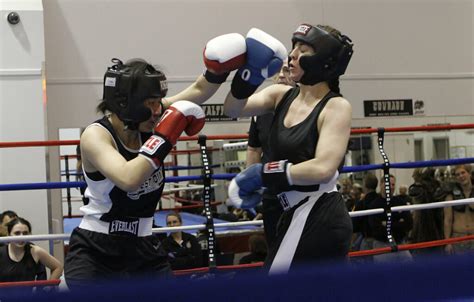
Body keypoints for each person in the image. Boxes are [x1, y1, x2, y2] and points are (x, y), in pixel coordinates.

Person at [64, 45, 244, 287]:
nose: (158, 111)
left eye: (159, 102)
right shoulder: (96, 136)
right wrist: (165, 135)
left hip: (143, 245)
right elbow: (128, 178)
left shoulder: (149, 117)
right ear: (126, 104)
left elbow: (199, 90)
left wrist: (221, 69)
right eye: (151, 103)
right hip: (96, 248)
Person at [224, 24, 354, 274]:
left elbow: (324, 168)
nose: (292, 54)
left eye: (303, 49)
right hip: (290, 210)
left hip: (319, 210)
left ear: (323, 60)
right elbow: (232, 109)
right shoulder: (280, 95)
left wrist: (265, 172)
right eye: (293, 46)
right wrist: (247, 75)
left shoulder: (336, 107)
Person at [246, 58, 295, 248]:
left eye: (286, 70)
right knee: (275, 246)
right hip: (271, 191)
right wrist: (250, 183)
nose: (281, 75)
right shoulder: (260, 109)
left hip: (300, 186)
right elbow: (253, 148)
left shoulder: (306, 106)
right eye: (276, 71)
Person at [367, 174, 413, 263]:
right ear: (381, 185)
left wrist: (387, 224)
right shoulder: (374, 205)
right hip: (382, 245)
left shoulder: (400, 202)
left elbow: (409, 224)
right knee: (385, 274)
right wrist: (399, 223)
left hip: (400, 243)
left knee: (410, 270)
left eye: (393, 184)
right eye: (388, 184)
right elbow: (376, 228)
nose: (391, 187)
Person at [0, 217, 63, 282]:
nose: (21, 237)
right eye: (17, 233)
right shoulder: (1, 252)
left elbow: (58, 267)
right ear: (8, 234)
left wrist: (49, 287)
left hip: (28, 292)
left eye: (25, 233)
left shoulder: (35, 251)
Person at [444, 164, 474, 254]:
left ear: (469, 174)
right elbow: (447, 220)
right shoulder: (450, 195)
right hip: (458, 238)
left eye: (463, 173)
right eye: (457, 174)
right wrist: (447, 242)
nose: (461, 176)